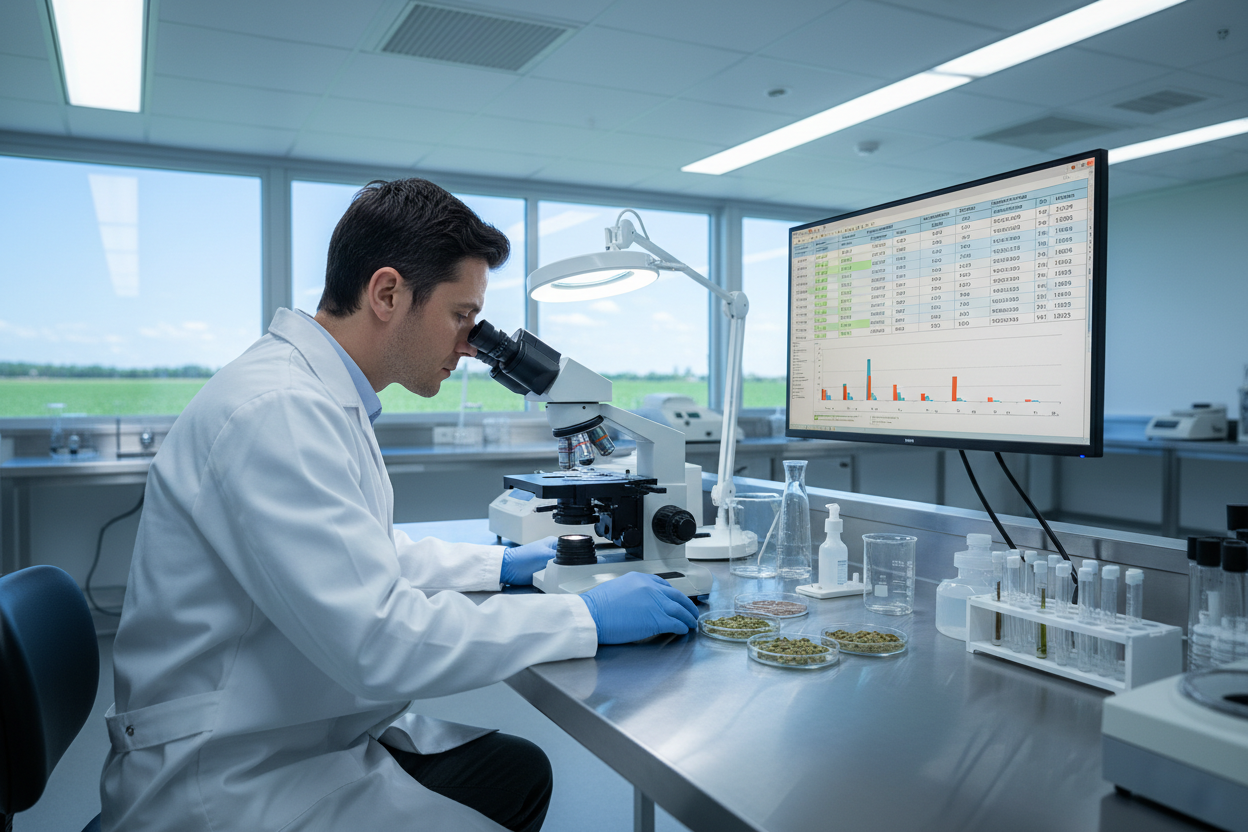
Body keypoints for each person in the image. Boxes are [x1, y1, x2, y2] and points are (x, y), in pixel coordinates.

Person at [101, 178, 699, 832]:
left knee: (519, 771)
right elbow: (380, 642)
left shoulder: (316, 394)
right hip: (229, 777)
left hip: (290, 727)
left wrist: (499, 569)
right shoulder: (277, 410)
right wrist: (580, 616)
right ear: (388, 294)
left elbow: (360, 556)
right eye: (461, 316)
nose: (472, 346)